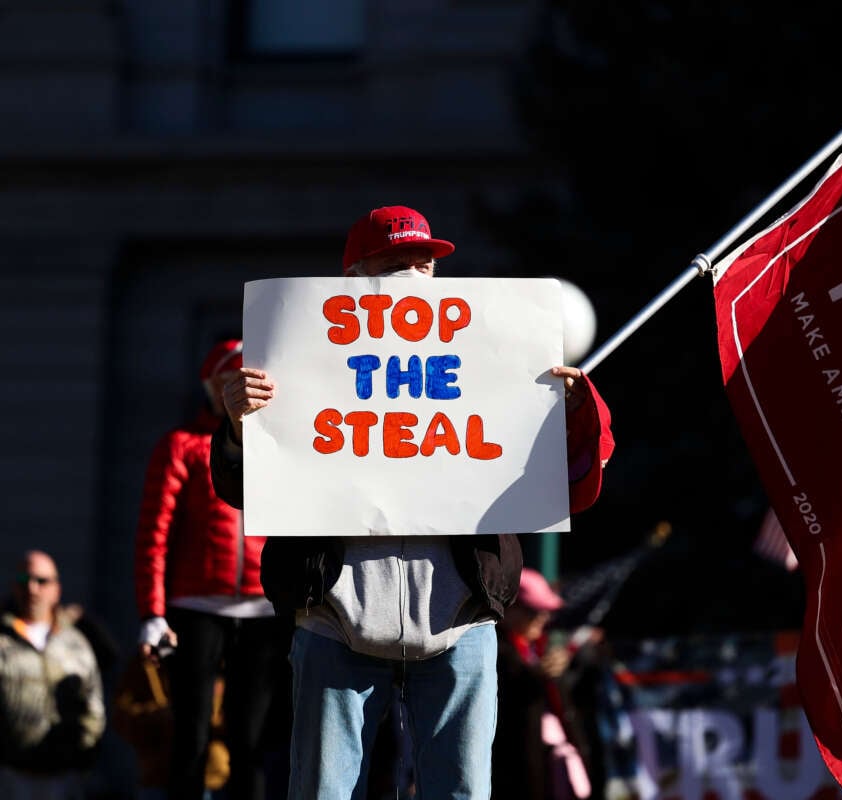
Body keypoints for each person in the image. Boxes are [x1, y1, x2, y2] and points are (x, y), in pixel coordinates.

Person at [209, 204, 616, 800]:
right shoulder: (294, 360)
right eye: (395, 265)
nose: (413, 280)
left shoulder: (489, 355)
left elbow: (575, 484)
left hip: (462, 619)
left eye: (423, 264)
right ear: (353, 279)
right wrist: (240, 426)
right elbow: (240, 492)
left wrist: (578, 411)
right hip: (334, 615)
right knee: (322, 791)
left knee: (462, 792)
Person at [132, 337, 293, 800]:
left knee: (252, 742)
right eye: (230, 379)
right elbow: (153, 535)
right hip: (195, 605)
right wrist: (152, 613)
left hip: (263, 609)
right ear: (211, 385)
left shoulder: (280, 447)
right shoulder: (182, 446)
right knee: (192, 736)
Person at [0, 550, 106, 798]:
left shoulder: (75, 642)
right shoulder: (3, 640)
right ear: (15, 588)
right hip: (10, 776)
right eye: (26, 581)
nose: (33, 589)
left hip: (65, 777)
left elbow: (93, 705)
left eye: (42, 581)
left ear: (56, 589)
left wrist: (85, 754)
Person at [493, 568, 595, 800]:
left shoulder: (538, 646)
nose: (543, 618)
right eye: (533, 611)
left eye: (545, 612)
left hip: (548, 767)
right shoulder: (495, 650)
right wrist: (536, 675)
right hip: (512, 776)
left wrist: (555, 671)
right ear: (508, 608)